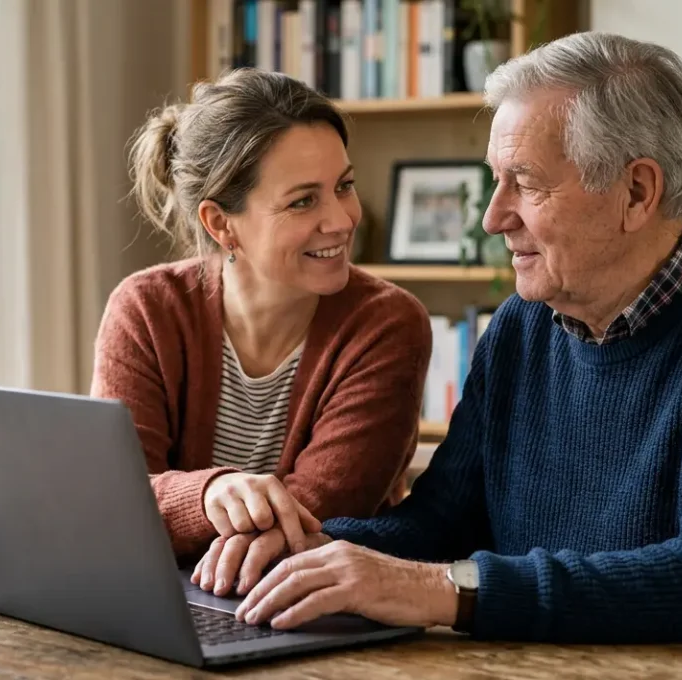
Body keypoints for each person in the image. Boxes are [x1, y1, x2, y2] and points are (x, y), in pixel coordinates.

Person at [194, 32, 682, 662]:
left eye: (526, 182)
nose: (493, 216)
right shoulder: (523, 324)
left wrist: (441, 591)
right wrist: (306, 549)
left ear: (636, 191)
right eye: (495, 179)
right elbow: (440, 523)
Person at [91, 68, 432, 569]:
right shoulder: (145, 309)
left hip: (321, 610)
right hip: (166, 599)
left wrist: (167, 512)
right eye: (302, 201)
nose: (341, 220)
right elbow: (111, 500)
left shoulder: (387, 325)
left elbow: (318, 514)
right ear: (221, 223)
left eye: (344, 186)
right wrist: (207, 494)